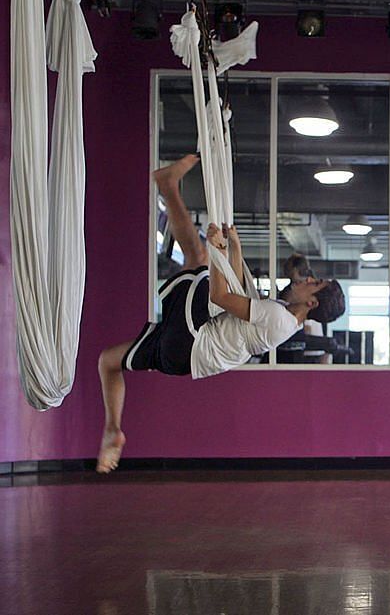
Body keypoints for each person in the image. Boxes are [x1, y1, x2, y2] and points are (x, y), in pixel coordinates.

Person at [95, 155, 346, 473]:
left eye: (315, 283)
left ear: (311, 304)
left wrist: (216, 251)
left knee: (199, 256)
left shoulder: (278, 319)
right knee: (108, 362)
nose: (308, 278)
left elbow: (220, 295)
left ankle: (168, 184)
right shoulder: (283, 317)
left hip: (191, 339)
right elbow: (247, 290)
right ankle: (112, 429)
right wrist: (235, 248)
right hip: (184, 354)